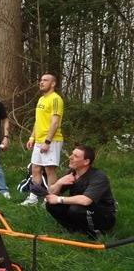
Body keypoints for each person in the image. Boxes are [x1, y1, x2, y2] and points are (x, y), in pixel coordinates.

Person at [44, 146, 116, 238]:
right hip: (81, 209)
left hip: (103, 215)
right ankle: (74, 230)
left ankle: (95, 233)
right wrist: (59, 183)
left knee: (75, 209)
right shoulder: (71, 172)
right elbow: (51, 193)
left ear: (86, 162)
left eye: (76, 156)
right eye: (72, 154)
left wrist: (59, 199)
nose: (70, 157)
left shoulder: (98, 177)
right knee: (51, 204)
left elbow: (86, 200)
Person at [22, 73, 64, 206]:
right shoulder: (41, 99)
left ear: (53, 84)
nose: (41, 82)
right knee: (35, 168)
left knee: (49, 170)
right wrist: (32, 137)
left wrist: (47, 141)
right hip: (38, 141)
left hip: (51, 140)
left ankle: (50, 200)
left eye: (45, 80)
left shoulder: (56, 99)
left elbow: (55, 123)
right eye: (41, 80)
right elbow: (38, 121)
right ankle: (33, 197)